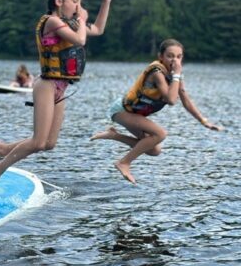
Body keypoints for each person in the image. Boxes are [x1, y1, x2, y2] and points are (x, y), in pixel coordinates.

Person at [0, 0, 112, 191]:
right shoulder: (52, 21)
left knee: (48, 144)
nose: (78, 6)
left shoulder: (71, 24)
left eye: (80, 1)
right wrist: (82, 20)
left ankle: (2, 148)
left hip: (61, 88)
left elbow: (99, 29)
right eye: (74, 1)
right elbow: (80, 39)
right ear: (59, 1)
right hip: (46, 85)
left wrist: (106, 2)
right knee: (38, 141)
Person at [90, 39, 223, 185]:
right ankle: (124, 163)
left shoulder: (175, 76)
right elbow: (171, 100)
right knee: (160, 133)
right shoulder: (157, 72)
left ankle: (114, 135)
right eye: (170, 56)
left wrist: (204, 121)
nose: (175, 60)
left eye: (179, 57)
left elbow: (186, 100)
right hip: (122, 111)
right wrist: (177, 75)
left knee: (154, 150)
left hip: (135, 114)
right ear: (161, 56)